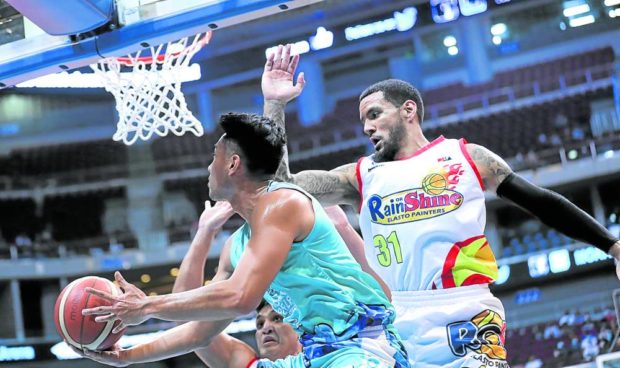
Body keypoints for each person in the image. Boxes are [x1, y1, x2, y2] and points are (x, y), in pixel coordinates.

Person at [261, 44, 620, 367]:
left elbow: (542, 202)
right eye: (363, 121)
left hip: (469, 308)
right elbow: (280, 189)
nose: (367, 127)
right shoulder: (360, 177)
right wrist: (275, 104)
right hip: (400, 316)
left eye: (374, 114)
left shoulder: (467, 157)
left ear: (408, 110)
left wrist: (612, 245)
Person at [80, 112, 409, 367]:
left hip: (360, 347)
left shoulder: (284, 202)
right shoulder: (235, 246)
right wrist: (127, 357)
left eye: (214, 158)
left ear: (233, 164)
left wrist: (149, 305)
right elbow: (200, 330)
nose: (209, 167)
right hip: (314, 354)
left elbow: (241, 298)